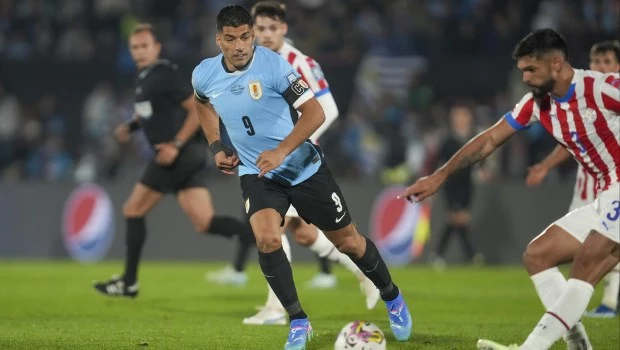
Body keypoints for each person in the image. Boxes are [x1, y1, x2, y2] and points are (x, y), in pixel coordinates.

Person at [192, 5, 412, 349]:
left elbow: (315, 112)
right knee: (267, 239)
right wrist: (217, 145)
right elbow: (202, 103)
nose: (240, 46)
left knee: (348, 242)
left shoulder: (275, 65)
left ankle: (392, 295)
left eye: (246, 37)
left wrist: (281, 150)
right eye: (231, 39)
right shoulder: (204, 74)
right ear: (218, 40)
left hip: (302, 168)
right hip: (257, 173)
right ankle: (298, 321)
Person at [398, 28, 619, 350]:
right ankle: (579, 345)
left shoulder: (601, 88)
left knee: (586, 261)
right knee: (538, 255)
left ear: (556, 64)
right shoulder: (537, 104)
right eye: (523, 70)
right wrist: (440, 175)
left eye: (532, 69)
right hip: (606, 194)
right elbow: (488, 140)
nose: (526, 77)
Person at [93, 24, 255, 297]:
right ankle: (261, 236)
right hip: (186, 158)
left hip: (174, 156)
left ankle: (129, 282)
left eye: (145, 46)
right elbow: (149, 112)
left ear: (157, 48)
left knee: (133, 211)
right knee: (205, 222)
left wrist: (176, 145)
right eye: (135, 47)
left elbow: (197, 108)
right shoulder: (146, 77)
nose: (140, 51)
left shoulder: (165, 74)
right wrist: (130, 128)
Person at [525, 40, 620, 319]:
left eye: (607, 62)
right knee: (585, 249)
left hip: (613, 182)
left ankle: (604, 305)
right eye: (596, 62)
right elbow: (569, 140)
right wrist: (544, 166)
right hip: (589, 182)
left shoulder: (610, 95)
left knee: (602, 246)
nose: (600, 67)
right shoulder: (580, 94)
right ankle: (576, 314)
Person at [431, 105, 485, 269]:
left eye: (464, 115)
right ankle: (468, 255)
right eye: (457, 116)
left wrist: (482, 170)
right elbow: (437, 161)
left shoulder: (474, 138)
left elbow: (482, 157)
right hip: (451, 184)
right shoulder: (448, 140)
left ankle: (442, 255)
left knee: (459, 221)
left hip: (467, 185)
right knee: (456, 218)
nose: (460, 119)